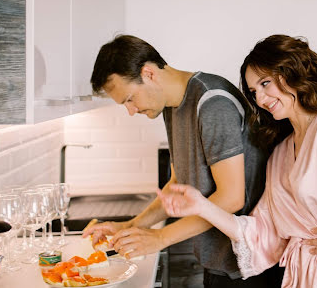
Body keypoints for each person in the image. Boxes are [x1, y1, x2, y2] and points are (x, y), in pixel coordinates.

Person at [157, 35, 317, 288]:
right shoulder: (281, 152)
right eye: (254, 92)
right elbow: (263, 231)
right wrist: (201, 206)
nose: (261, 99)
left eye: (266, 83)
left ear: (293, 74)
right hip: (299, 277)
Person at [82, 34, 283, 288]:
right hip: (218, 264)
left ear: (149, 74)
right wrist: (130, 227)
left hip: (249, 268)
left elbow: (232, 198)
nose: (131, 111)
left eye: (129, 99)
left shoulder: (213, 102)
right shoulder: (171, 107)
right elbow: (177, 185)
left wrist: (161, 238)